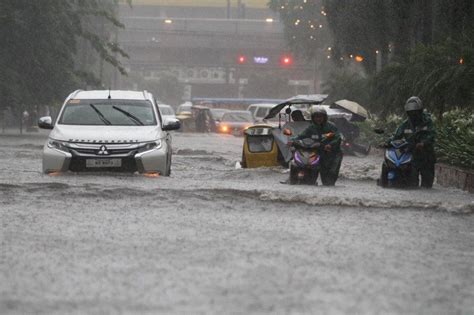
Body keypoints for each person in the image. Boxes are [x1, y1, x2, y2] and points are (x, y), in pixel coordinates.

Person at [389, 96, 436, 188]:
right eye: (411, 112)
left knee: (427, 185)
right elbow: (396, 136)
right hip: (411, 157)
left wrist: (423, 143)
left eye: (415, 112)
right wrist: (387, 142)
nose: (413, 114)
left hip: (427, 157)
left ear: (420, 110)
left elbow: (432, 135)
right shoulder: (405, 124)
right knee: (412, 184)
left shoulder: (427, 121)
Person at [290, 107, 343, 185]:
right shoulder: (311, 127)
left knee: (331, 175)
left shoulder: (331, 126)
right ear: (313, 118)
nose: (318, 119)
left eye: (320, 117)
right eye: (316, 117)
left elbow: (338, 137)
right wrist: (292, 140)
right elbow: (301, 135)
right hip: (321, 152)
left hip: (333, 154)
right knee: (323, 174)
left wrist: (330, 145)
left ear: (324, 117)